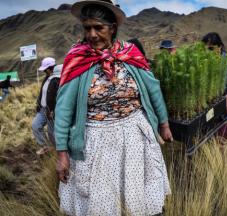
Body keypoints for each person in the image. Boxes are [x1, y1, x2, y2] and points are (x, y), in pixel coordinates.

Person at [54, 1, 173, 215]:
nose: (92, 34)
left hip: (135, 137)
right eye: (87, 27)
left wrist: (163, 123)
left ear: (113, 28)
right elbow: (63, 108)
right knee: (102, 204)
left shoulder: (130, 53)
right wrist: (62, 152)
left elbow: (153, 89)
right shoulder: (77, 58)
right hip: (96, 142)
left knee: (138, 196)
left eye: (98, 28)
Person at [202, 32, 227, 146]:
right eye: (205, 49)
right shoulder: (205, 63)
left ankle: (221, 163)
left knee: (220, 140)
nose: (207, 52)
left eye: (210, 48)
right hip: (210, 109)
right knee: (209, 140)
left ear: (219, 46)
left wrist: (226, 97)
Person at [32, 58, 61, 155]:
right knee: (36, 126)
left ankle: (58, 153)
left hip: (52, 111)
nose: (44, 71)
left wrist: (52, 111)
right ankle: (46, 146)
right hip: (43, 109)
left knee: (52, 133)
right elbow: (43, 93)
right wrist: (38, 104)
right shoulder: (47, 77)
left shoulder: (58, 78)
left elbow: (58, 97)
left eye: (45, 69)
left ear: (50, 68)